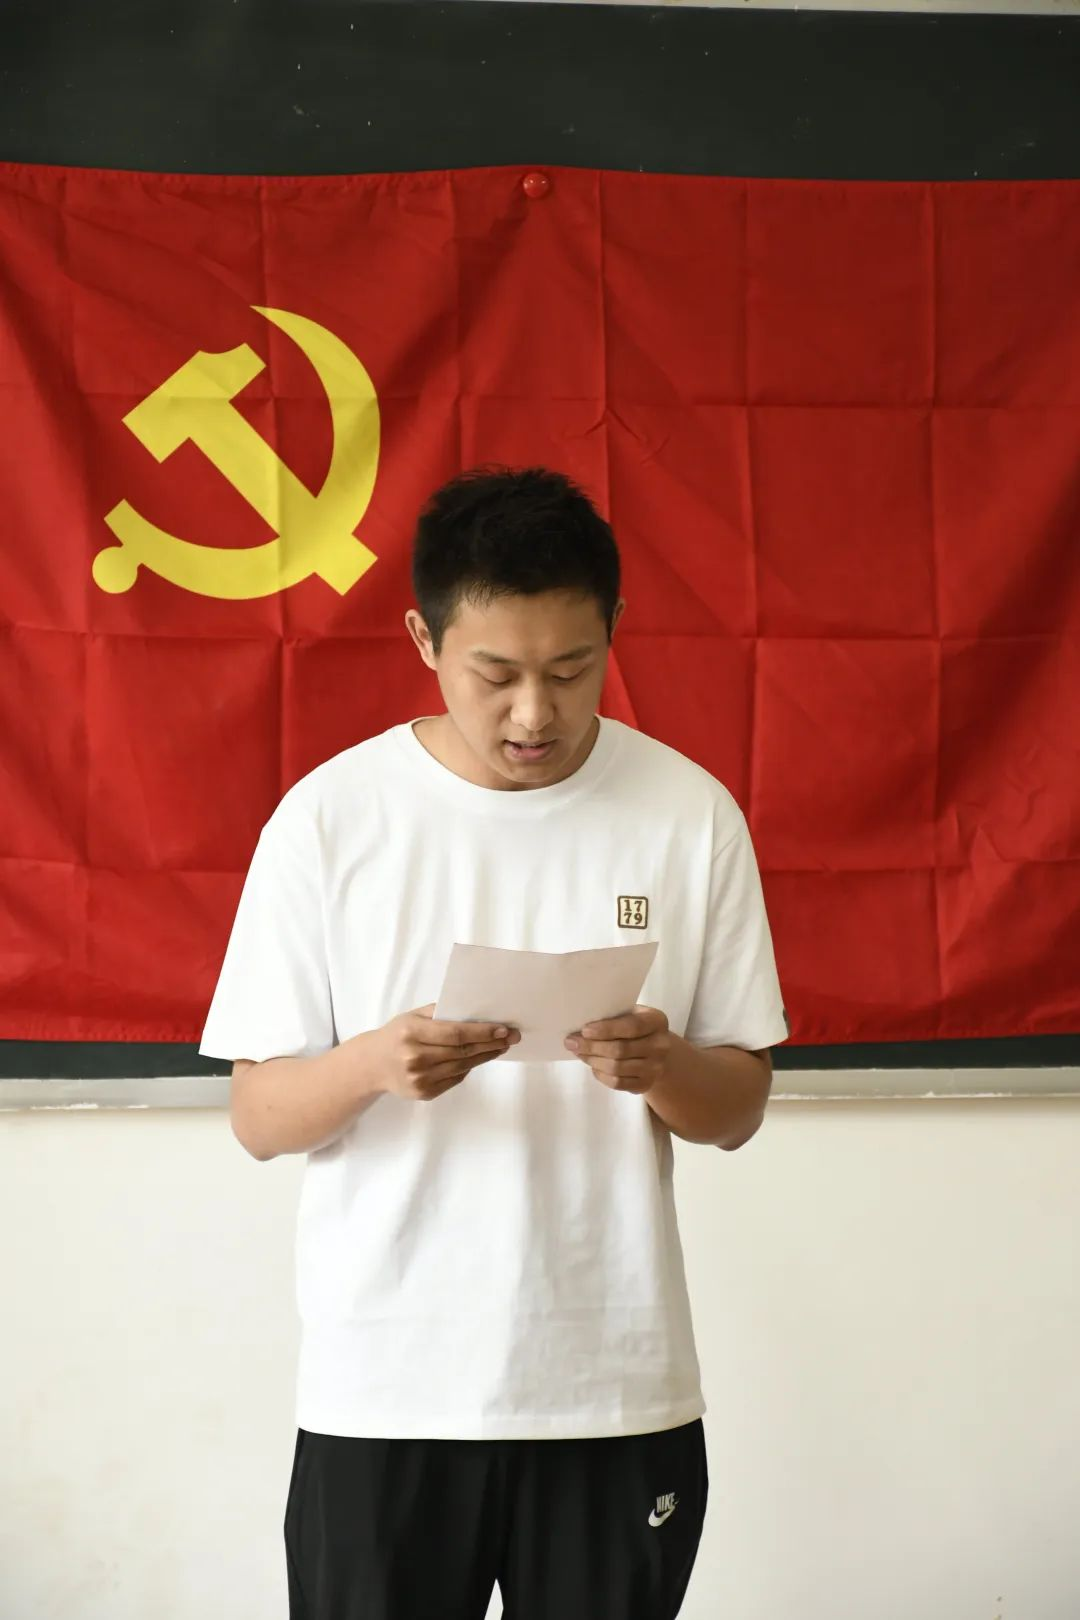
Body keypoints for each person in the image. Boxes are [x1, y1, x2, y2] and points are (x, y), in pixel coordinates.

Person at [199, 466, 789, 1620]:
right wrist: (375, 1064)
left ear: (614, 631)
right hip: (385, 1389)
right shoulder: (331, 819)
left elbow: (739, 1109)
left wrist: (664, 1068)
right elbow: (259, 1119)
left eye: (571, 670)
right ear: (424, 639)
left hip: (614, 1389)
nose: (534, 714)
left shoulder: (689, 814)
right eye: (497, 674)